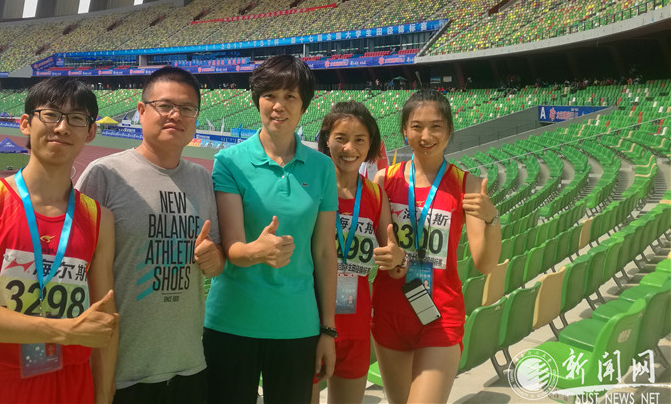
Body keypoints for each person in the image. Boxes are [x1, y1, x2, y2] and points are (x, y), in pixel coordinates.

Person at [0, 77, 119, 404]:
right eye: (51, 114)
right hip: (0, 385)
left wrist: (104, 392)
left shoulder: (100, 219)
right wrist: (65, 330)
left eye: (77, 118)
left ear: (90, 131)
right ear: (26, 123)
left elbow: (104, 318)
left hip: (73, 384)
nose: (62, 128)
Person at [77, 67, 225, 403]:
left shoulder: (201, 179)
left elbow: (216, 263)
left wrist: (213, 258)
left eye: (187, 108)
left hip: (188, 364)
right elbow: (75, 265)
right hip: (122, 372)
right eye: (165, 105)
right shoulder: (105, 175)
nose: (176, 115)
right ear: (141, 111)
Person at [203, 55, 338, 404]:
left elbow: (325, 252)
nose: (279, 105)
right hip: (232, 321)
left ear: (304, 105)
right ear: (257, 101)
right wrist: (256, 251)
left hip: (297, 324)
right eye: (270, 95)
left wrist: (327, 329)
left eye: (290, 96)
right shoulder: (229, 162)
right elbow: (232, 246)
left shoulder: (322, 168)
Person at [371, 90, 501, 404]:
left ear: (449, 130)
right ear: (404, 130)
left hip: (439, 316)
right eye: (416, 126)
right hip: (389, 312)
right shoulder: (384, 180)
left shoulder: (467, 184)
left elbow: (485, 264)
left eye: (436, 126)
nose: (426, 136)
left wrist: (492, 219)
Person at [311, 101, 404, 404]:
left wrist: (397, 258)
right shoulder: (310, 188)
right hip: (309, 323)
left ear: (370, 145)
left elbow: (395, 262)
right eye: (340, 138)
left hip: (356, 322)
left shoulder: (376, 195)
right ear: (326, 140)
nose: (349, 148)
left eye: (359, 140)